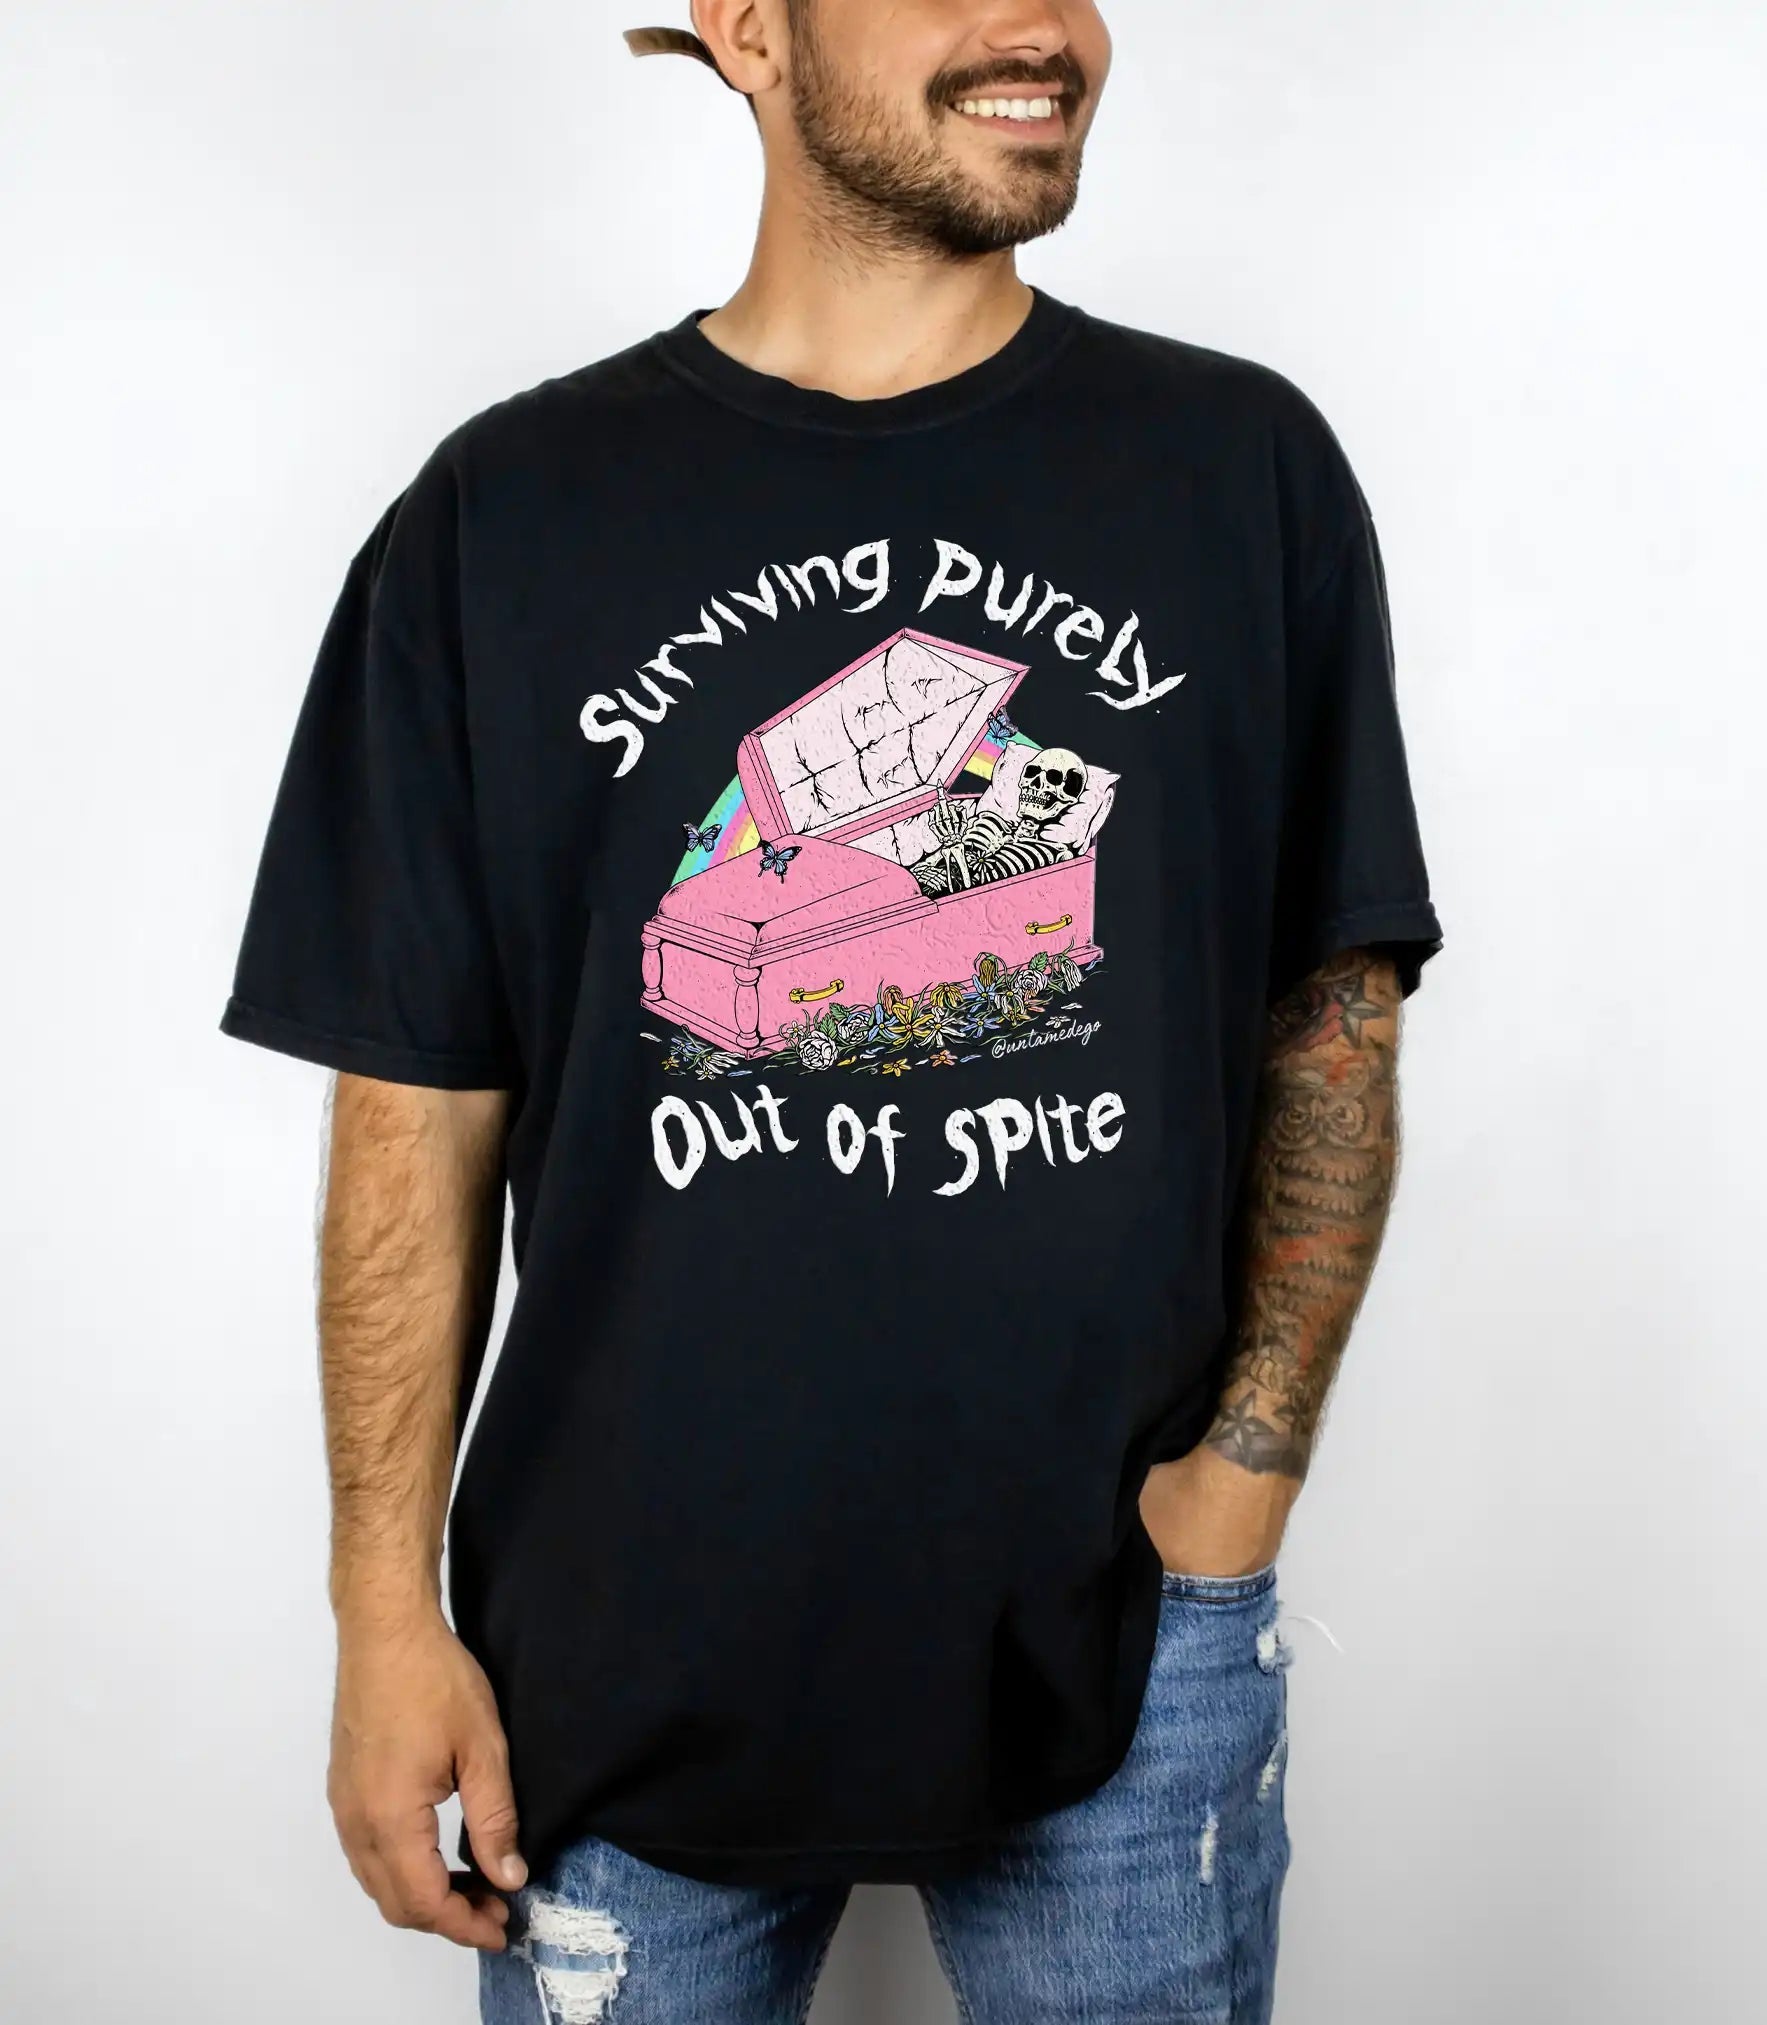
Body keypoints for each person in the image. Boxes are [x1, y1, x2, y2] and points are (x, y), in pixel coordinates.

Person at [220, 2, 1444, 2018]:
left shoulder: (1240, 468)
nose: (1043, 25)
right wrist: (381, 1611)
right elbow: (412, 1106)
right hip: (609, 1653)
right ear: (745, 27)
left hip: (1130, 1639)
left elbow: (1331, 1018)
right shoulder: (501, 513)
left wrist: (1232, 1493)